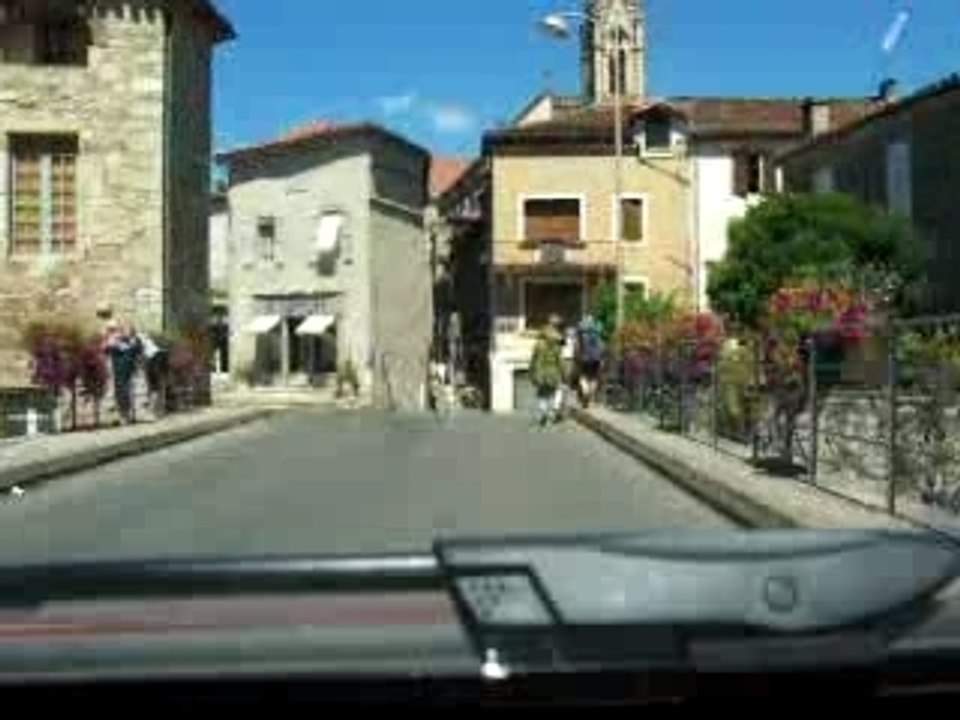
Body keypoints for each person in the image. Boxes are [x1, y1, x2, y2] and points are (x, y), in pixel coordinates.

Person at [529, 314, 565, 427]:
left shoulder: (538, 343)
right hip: (554, 371)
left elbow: (533, 359)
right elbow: (560, 360)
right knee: (558, 390)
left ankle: (543, 413)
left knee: (542, 394)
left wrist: (532, 371)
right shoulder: (557, 342)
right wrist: (564, 373)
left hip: (540, 371)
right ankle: (554, 409)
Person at [576, 315, 605, 408]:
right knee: (594, 378)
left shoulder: (584, 338)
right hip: (596, 360)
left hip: (585, 359)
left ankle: (586, 392)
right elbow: (602, 351)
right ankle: (590, 394)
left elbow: (579, 349)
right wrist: (601, 360)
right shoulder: (600, 340)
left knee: (583, 377)